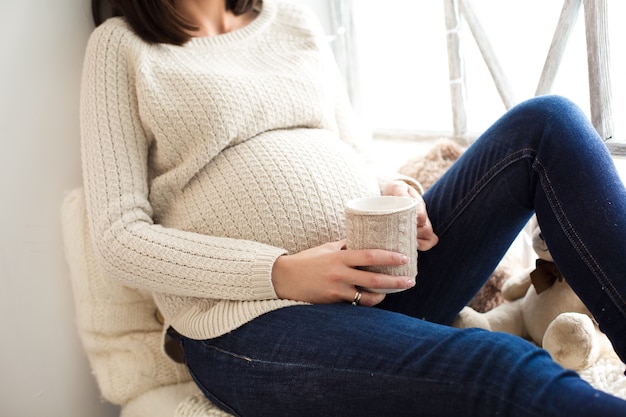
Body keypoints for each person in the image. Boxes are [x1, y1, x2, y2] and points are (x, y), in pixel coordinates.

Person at [82, 0, 626, 415]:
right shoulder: (121, 47)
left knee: (547, 124)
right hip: (250, 326)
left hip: (386, 278)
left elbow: (357, 154)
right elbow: (118, 237)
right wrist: (281, 274)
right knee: (504, 369)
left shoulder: (289, 19)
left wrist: (396, 192)